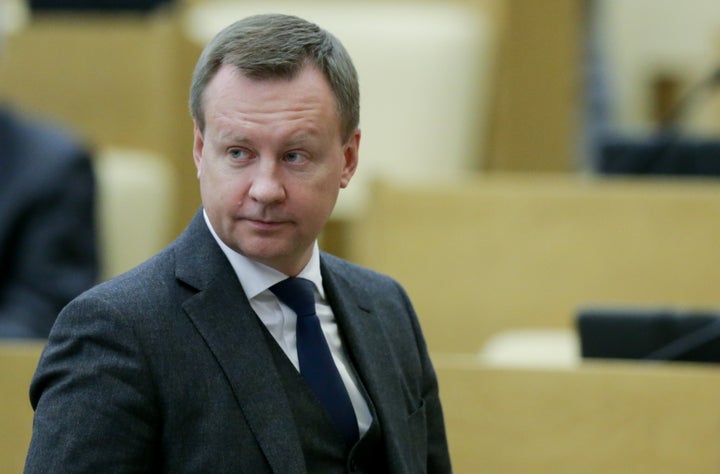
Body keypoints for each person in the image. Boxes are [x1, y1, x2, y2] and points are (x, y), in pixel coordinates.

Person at [25, 13, 451, 473]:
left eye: (295, 156)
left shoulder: (386, 308)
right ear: (199, 150)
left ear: (348, 159)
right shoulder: (115, 331)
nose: (265, 189)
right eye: (238, 153)